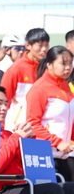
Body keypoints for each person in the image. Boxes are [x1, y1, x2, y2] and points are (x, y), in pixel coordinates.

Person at [25, 46, 74, 180]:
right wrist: (57, 142)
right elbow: (33, 123)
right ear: (49, 64)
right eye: (63, 63)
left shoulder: (66, 87)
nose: (68, 67)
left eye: (70, 63)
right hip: (47, 156)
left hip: (67, 154)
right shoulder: (39, 89)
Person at [2, 28, 50, 132]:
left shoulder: (48, 68)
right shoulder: (16, 69)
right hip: (18, 128)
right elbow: (4, 99)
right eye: (40, 45)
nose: (44, 49)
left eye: (46, 45)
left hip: (41, 128)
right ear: (28, 45)